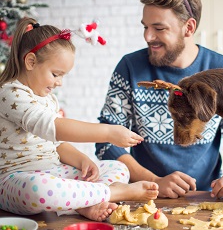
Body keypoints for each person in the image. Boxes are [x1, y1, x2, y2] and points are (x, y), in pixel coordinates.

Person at [96, 0, 223, 200]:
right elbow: (106, 141)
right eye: (145, 27)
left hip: (207, 197)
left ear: (188, 28)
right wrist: (154, 182)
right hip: (142, 197)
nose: (148, 36)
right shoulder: (129, 68)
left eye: (159, 28)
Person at [0, 17, 159, 222]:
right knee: (38, 189)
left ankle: (83, 204)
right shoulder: (10, 93)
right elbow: (52, 128)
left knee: (117, 167)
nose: (59, 83)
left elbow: (56, 144)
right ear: (30, 62)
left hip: (54, 173)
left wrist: (83, 161)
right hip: (15, 180)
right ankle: (112, 193)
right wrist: (109, 132)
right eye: (56, 74)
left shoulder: (49, 99)